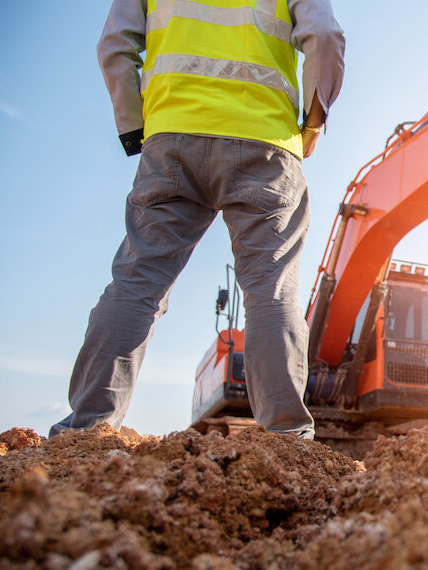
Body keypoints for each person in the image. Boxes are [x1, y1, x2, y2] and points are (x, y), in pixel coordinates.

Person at [50, 0, 345, 438]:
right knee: (271, 291)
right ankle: (286, 437)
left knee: (137, 283)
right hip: (266, 140)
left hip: (171, 137)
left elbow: (114, 44)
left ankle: (86, 430)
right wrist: (314, 123)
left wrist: (137, 126)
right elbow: (324, 35)